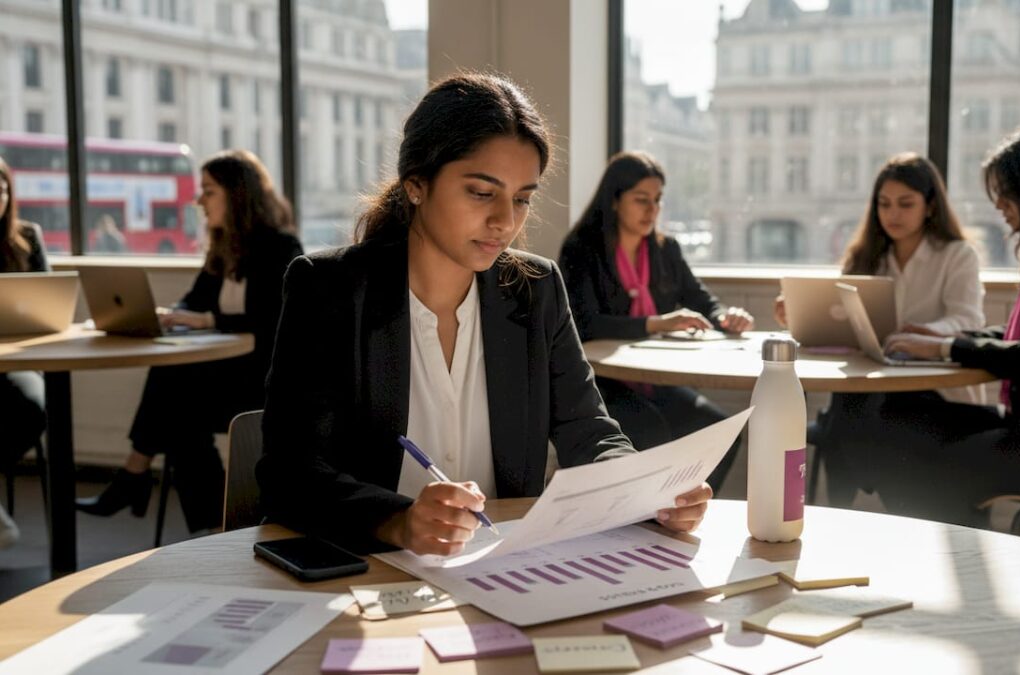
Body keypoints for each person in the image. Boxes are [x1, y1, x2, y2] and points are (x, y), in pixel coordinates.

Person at [256, 73, 712, 557]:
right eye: (480, 192)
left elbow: (589, 431)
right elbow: (289, 473)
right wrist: (398, 521)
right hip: (368, 569)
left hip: (500, 567)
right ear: (417, 184)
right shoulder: (328, 288)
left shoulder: (537, 290)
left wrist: (647, 489)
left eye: (522, 198)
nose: (505, 221)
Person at [76, 149, 302, 534]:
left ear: (237, 194)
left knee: (174, 389)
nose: (199, 200)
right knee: (179, 409)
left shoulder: (281, 247)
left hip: (265, 381)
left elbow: (275, 320)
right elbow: (195, 300)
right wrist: (172, 313)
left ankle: (138, 479)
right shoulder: (224, 247)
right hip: (227, 375)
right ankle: (212, 524)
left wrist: (208, 319)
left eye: (208, 191)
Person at [872, 129, 1020, 527]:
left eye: (1006, 192)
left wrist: (946, 348)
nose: (998, 204)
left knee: (938, 465)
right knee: (902, 417)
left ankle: (960, 559)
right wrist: (950, 339)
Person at [773, 153, 986, 506]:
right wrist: (797, 316)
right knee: (850, 406)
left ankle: (847, 504)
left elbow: (968, 321)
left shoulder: (958, 255)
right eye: (884, 204)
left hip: (931, 390)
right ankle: (858, 504)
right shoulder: (866, 256)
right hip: (873, 388)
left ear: (931, 206)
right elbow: (839, 322)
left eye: (906, 204)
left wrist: (921, 335)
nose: (893, 214)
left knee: (849, 422)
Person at [558, 151, 753, 493]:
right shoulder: (582, 250)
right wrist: (656, 324)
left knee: (721, 432)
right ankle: (653, 514)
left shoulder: (666, 250)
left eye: (658, 200)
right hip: (602, 383)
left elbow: (701, 299)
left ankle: (687, 509)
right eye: (641, 199)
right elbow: (583, 324)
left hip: (655, 381)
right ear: (615, 200)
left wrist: (725, 317)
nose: (653, 210)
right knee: (652, 432)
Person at [0, 156, 48, 549]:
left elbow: (51, 303)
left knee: (31, 407)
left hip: (21, 358)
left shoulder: (28, 237)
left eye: (2, 189)